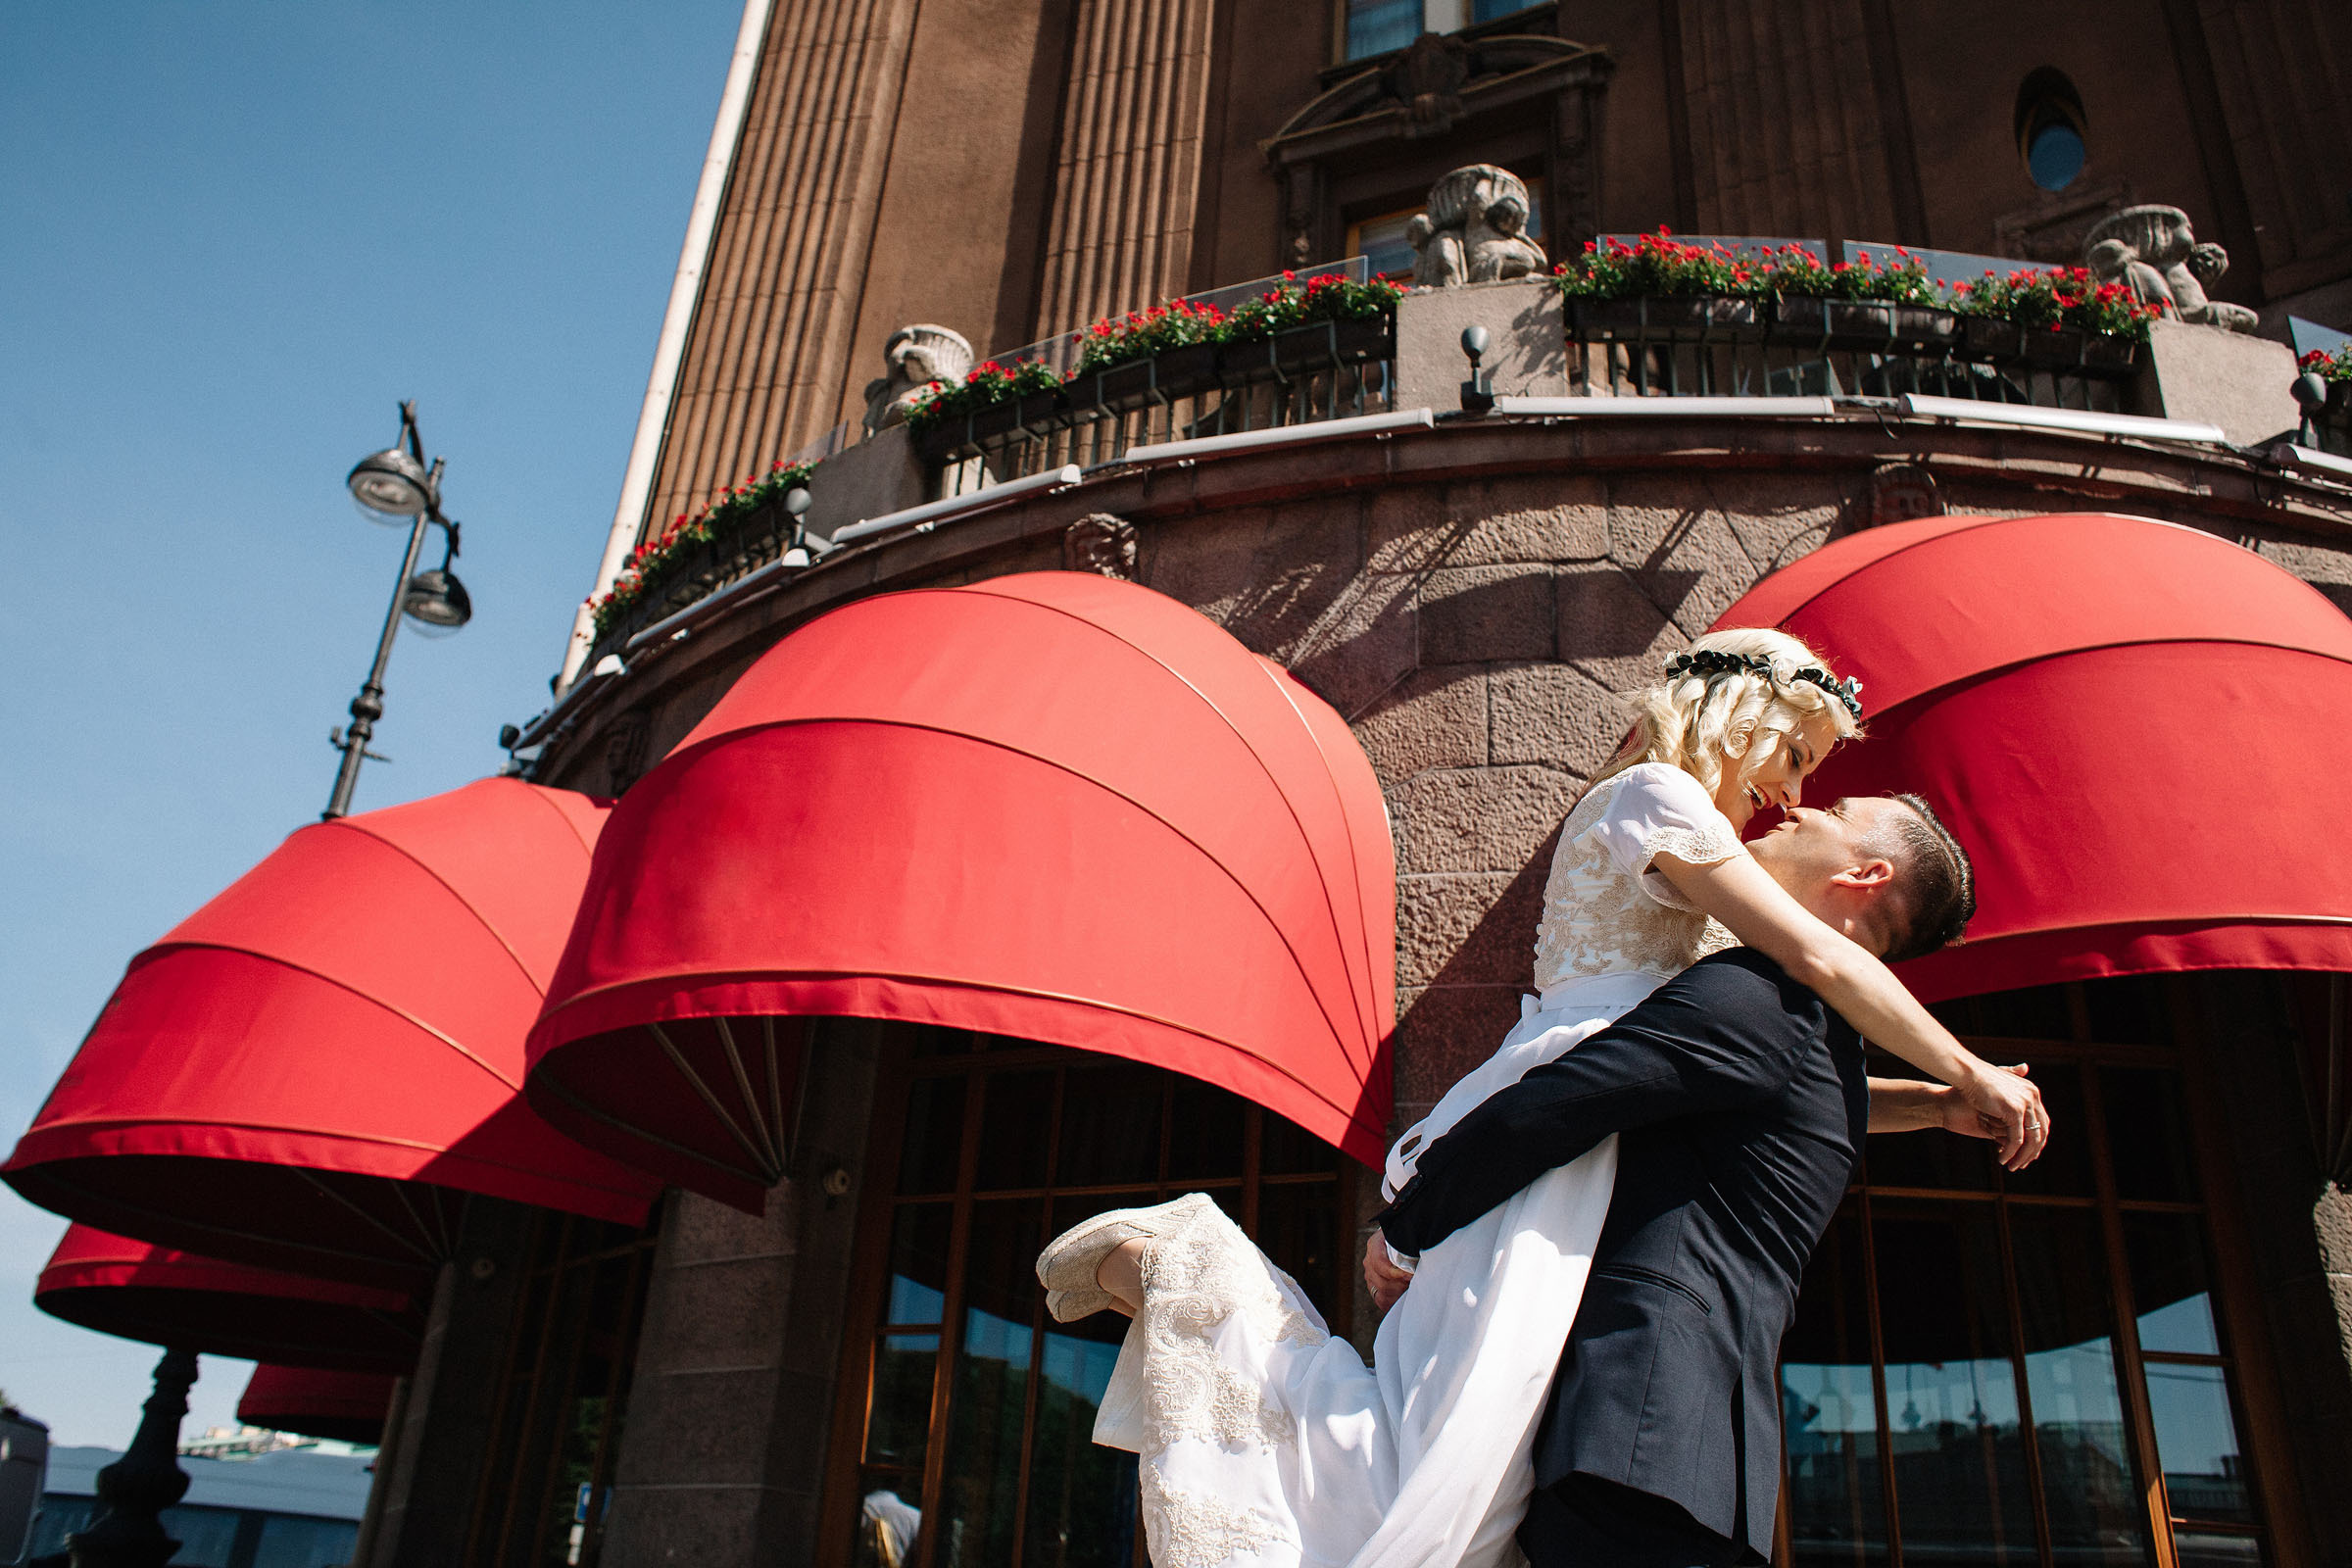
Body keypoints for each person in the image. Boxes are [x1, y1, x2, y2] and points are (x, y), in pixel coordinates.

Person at [1036, 629, 2046, 1568]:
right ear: (1742, 718)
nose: (1794, 793)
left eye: (1815, 788)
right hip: (1560, 1115)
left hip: (1601, 1130)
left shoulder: (1723, 885)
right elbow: (1817, 958)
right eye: (1796, 759)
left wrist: (1932, 1100)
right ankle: (1198, 1285)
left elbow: (1755, 1074)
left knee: (1479, 1465)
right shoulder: (1659, 797)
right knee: (1447, 1435)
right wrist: (1971, 1069)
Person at [1371, 794, 1989, 1567]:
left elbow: (1560, 1102)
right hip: (1687, 1454)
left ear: (1865, 874)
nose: (1797, 808)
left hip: (1633, 1429)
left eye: (1832, 810)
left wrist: (1405, 1230)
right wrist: (1933, 1107)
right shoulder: (1833, 1055)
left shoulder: (1760, 994)